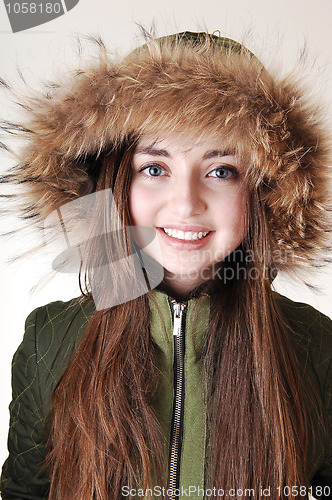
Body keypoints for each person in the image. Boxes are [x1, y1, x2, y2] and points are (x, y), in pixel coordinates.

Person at [0, 31, 331, 500]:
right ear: (116, 183)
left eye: (222, 170)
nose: (186, 204)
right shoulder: (50, 341)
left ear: (262, 194)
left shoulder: (316, 348)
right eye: (154, 168)